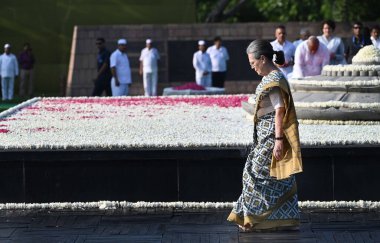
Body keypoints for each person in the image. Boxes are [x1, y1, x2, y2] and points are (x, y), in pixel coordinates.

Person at [227, 39, 302, 232]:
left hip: (271, 138)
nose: (252, 67)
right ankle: (274, 220)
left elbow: (280, 110)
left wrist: (278, 140)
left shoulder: (275, 80)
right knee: (273, 179)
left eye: (253, 63)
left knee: (253, 176)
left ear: (262, 59)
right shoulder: (271, 77)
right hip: (264, 136)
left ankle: (252, 219)